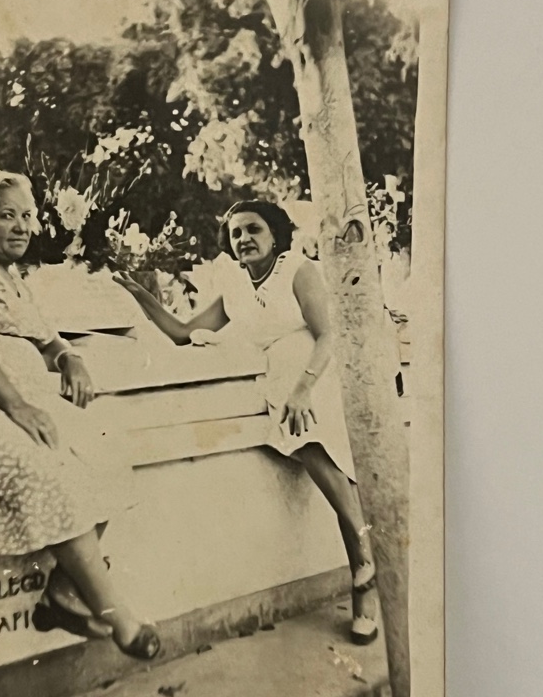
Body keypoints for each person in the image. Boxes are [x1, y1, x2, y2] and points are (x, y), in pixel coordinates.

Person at [0, 169, 160, 661]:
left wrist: (70, 359)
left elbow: (48, 338)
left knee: (105, 451)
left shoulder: (13, 279)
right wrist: (17, 406)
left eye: (28, 216)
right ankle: (120, 618)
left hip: (8, 401)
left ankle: (63, 594)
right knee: (45, 469)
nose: (22, 226)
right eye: (7, 216)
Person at [115, 199, 378, 645]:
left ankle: (365, 577)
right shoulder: (233, 285)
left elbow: (329, 333)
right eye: (236, 233)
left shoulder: (298, 270)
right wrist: (142, 298)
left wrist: (303, 388)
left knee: (314, 440)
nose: (244, 239)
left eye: (253, 229)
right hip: (278, 378)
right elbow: (183, 332)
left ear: (275, 234)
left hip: (316, 374)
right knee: (318, 452)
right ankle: (365, 569)